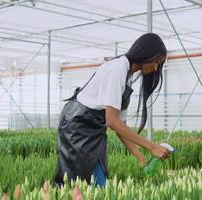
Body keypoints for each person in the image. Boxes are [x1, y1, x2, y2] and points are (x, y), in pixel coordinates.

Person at [54, 33, 171, 187]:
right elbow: (112, 121)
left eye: (159, 64)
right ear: (145, 52)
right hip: (77, 125)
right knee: (75, 180)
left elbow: (120, 127)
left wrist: (141, 159)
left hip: (95, 128)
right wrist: (152, 147)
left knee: (98, 180)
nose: (156, 68)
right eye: (156, 62)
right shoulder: (119, 68)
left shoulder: (128, 76)